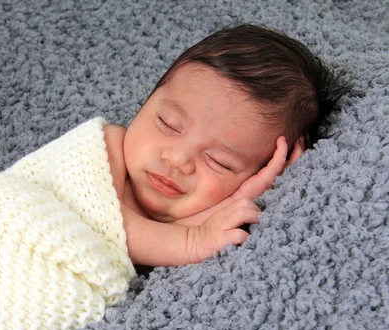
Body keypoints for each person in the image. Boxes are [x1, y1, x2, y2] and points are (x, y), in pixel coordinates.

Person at [103, 24, 348, 267]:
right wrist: (193, 241)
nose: (179, 159)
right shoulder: (105, 147)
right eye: (168, 123)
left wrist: (242, 198)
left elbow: (154, 241)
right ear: (145, 103)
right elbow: (103, 227)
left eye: (220, 162)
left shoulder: (176, 229)